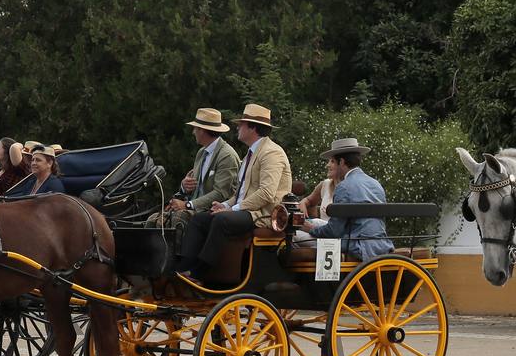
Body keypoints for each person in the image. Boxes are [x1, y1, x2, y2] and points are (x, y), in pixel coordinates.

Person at [175, 104, 292, 280]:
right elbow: (241, 193)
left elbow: (266, 193)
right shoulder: (250, 154)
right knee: (200, 219)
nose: (238, 127)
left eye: (241, 124)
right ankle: (184, 268)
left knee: (222, 219)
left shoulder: (271, 153)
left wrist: (233, 209)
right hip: (248, 210)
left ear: (252, 128)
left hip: (264, 215)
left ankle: (201, 272)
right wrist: (224, 204)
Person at [300, 138, 394, 260]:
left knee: (296, 237)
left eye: (333, 161)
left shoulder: (343, 187)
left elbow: (334, 232)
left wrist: (310, 229)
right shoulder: (376, 184)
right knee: (315, 225)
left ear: (342, 162)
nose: (328, 164)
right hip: (381, 244)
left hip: (356, 246)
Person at [161, 108, 240, 226]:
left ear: (203, 130)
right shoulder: (201, 152)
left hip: (212, 210)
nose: (193, 132)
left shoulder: (227, 155)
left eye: (195, 128)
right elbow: (195, 187)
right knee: (153, 220)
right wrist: (185, 186)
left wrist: (188, 205)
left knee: (177, 220)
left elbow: (221, 193)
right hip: (195, 209)